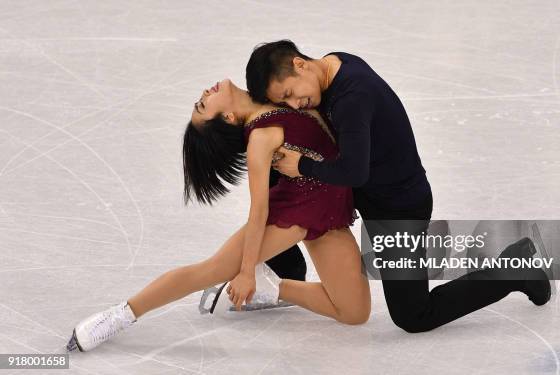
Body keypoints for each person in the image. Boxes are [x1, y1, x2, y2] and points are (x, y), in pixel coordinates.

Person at [245, 40, 551, 333]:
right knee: (280, 171)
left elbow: (354, 173)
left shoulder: (352, 96)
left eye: (290, 94)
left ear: (300, 64)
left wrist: (302, 166)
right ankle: (281, 267)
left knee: (412, 315)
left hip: (399, 209)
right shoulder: (333, 64)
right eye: (284, 102)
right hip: (375, 198)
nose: (294, 105)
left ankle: (515, 270)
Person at [65, 78, 370, 352]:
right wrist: (246, 270)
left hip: (331, 214)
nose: (203, 94)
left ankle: (273, 287)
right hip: (295, 214)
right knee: (210, 271)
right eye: (202, 105)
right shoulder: (260, 138)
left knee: (354, 312)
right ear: (227, 117)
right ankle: (119, 315)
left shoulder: (274, 89)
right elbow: (259, 209)